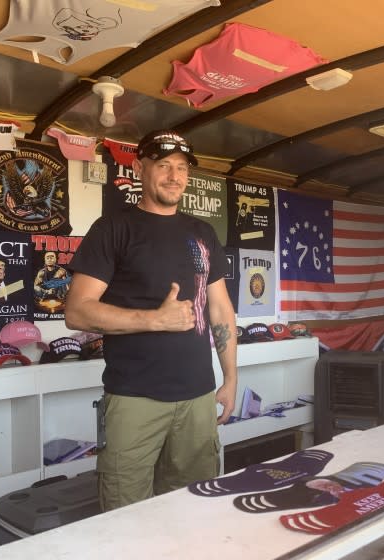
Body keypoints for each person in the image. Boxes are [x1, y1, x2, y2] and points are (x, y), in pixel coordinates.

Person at [65, 130, 237, 512]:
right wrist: (155, 320)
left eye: (181, 168)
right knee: (126, 516)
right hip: (134, 399)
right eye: (163, 166)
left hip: (197, 397)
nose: (174, 176)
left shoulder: (203, 233)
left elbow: (220, 308)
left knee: (195, 508)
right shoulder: (113, 229)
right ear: (140, 168)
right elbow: (76, 310)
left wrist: (230, 379)